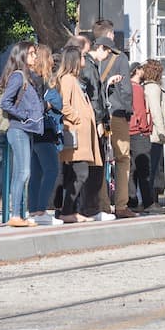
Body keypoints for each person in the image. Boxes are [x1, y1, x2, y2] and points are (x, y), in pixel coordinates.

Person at [56, 45, 104, 223]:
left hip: (82, 136)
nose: (85, 59)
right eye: (82, 56)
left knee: (75, 173)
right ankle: (67, 210)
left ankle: (72, 210)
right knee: (80, 173)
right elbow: (64, 104)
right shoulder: (68, 79)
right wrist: (77, 118)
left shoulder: (74, 80)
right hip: (76, 136)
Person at [0, 41, 43, 228]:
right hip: (18, 129)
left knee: (22, 173)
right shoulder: (18, 77)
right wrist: (24, 116)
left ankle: (19, 214)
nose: (35, 57)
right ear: (23, 56)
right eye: (32, 53)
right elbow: (5, 102)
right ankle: (15, 214)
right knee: (23, 172)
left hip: (27, 129)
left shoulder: (28, 77)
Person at [93, 21, 135, 218]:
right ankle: (120, 205)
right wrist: (127, 110)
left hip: (97, 115)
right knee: (122, 158)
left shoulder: (91, 58)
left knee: (99, 159)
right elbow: (126, 89)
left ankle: (102, 205)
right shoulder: (120, 58)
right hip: (117, 113)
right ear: (109, 35)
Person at [27, 45, 63, 226]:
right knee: (51, 170)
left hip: (34, 132)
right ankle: (41, 210)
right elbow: (53, 103)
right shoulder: (43, 81)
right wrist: (49, 105)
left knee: (36, 172)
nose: (52, 61)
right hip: (44, 130)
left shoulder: (33, 78)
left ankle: (33, 210)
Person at [141, 59, 165, 213]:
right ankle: (151, 201)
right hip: (154, 134)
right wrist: (162, 133)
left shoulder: (149, 87)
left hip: (152, 133)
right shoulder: (153, 88)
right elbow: (156, 112)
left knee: (153, 168)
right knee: (153, 169)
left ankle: (151, 200)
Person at [127, 63, 155, 212]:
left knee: (131, 169)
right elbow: (140, 111)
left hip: (127, 131)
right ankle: (148, 201)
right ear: (137, 71)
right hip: (138, 132)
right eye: (141, 69)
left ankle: (132, 200)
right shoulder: (137, 88)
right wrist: (145, 129)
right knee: (144, 169)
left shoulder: (125, 86)